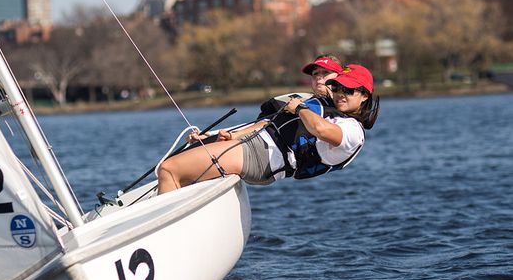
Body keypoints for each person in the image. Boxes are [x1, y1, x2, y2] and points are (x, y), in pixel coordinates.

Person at [156, 64, 380, 194]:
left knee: (168, 169)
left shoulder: (353, 131)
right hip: (256, 145)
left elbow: (320, 130)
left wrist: (299, 108)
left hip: (262, 157)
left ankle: (163, 243)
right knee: (178, 168)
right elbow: (268, 125)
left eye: (349, 90)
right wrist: (218, 136)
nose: (341, 93)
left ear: (364, 96)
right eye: (338, 87)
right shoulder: (328, 109)